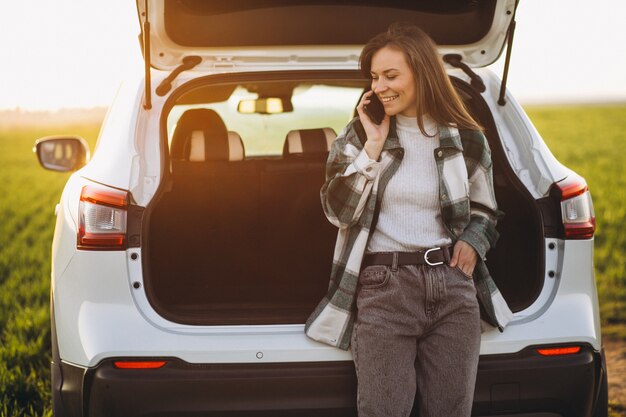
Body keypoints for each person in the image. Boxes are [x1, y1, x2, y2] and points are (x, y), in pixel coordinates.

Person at [305, 23, 513, 417]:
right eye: (374, 77)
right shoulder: (356, 137)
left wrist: (473, 239)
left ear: (422, 73)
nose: (379, 86)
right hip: (384, 288)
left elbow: (486, 210)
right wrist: (373, 148)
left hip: (453, 286)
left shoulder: (467, 138)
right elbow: (338, 211)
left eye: (391, 75)